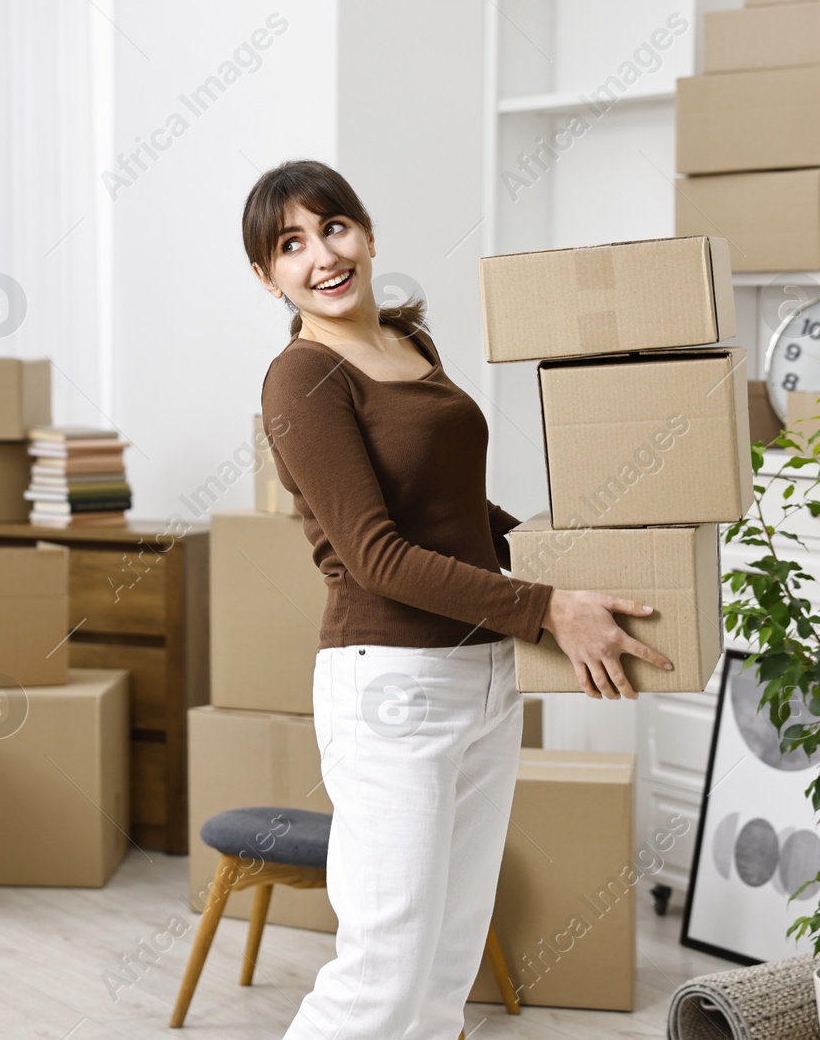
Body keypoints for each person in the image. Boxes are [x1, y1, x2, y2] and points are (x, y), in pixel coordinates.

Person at [246, 159, 671, 1039]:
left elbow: (456, 511)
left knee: (444, 966)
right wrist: (547, 604)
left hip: (485, 674)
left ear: (367, 233)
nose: (321, 254)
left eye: (333, 227)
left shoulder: (408, 343)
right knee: (382, 974)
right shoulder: (302, 378)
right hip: (391, 684)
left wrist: (564, 551)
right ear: (268, 275)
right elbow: (376, 555)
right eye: (291, 244)